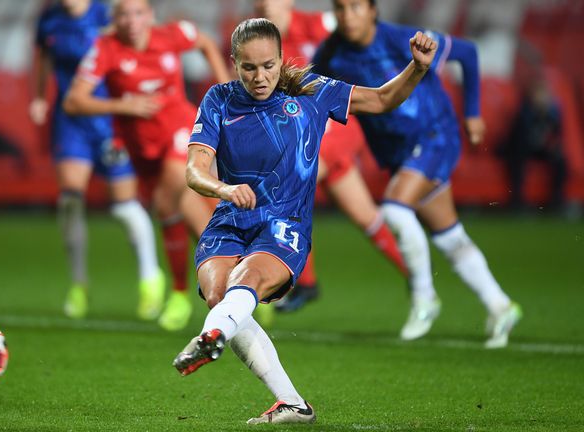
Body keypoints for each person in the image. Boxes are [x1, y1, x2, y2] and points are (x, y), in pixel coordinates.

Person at [173, 17, 437, 424]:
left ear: (281, 60)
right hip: (230, 217)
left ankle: (212, 337)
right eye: (248, 67)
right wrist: (225, 191)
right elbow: (194, 170)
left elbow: (382, 99)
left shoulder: (314, 92)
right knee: (219, 296)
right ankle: (292, 403)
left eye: (268, 66)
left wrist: (416, 67)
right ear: (234, 63)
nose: (259, 77)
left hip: (285, 222)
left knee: (244, 285)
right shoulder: (218, 100)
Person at [312, 0, 522, 348]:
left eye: (355, 7)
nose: (348, 16)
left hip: (435, 136)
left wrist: (472, 113)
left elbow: (467, 53)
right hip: (397, 152)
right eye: (340, 8)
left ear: (373, 11)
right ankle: (501, 305)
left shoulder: (400, 39)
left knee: (394, 208)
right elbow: (311, 91)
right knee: (447, 234)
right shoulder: (331, 52)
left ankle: (424, 297)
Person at [63, 0, 231, 331]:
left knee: (166, 202)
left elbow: (207, 43)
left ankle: (181, 293)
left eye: (139, 12)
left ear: (150, 15)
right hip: (142, 149)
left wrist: (227, 91)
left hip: (183, 131)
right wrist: (123, 105)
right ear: (115, 19)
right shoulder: (106, 49)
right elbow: (73, 101)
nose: (132, 21)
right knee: (199, 221)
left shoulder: (171, 35)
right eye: (124, 14)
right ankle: (240, 281)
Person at [250, 0, 408, 314]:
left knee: (283, 188)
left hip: (335, 127)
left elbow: (363, 35)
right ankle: (417, 276)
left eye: (272, 4)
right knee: (366, 217)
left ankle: (304, 282)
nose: (267, 10)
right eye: (261, 6)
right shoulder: (255, 44)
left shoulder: (320, 25)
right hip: (306, 137)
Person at [31, 0, 165, 321]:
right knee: (70, 198)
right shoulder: (49, 20)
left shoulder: (108, 14)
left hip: (112, 118)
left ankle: (150, 277)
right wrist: (38, 96)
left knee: (123, 205)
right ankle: (79, 284)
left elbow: (136, 45)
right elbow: (43, 59)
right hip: (71, 122)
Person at [503, 78, 567, 212]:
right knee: (517, 159)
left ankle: (557, 201)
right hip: (520, 148)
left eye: (544, 94)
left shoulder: (553, 113)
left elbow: (557, 136)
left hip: (539, 148)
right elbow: (517, 138)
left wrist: (553, 146)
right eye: (539, 94)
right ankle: (517, 201)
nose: (542, 98)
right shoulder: (524, 112)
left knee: (560, 160)